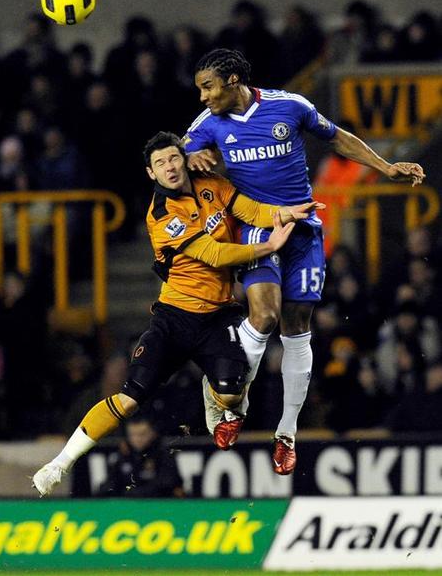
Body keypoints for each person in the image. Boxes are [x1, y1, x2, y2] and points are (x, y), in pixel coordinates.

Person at [32, 131, 320, 496]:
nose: (168, 167)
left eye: (173, 158)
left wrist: (284, 213)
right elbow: (214, 254)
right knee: (130, 398)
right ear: (150, 173)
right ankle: (60, 463)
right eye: (160, 163)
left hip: (219, 316)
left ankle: (214, 395)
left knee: (233, 397)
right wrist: (268, 246)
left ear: (183, 159)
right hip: (175, 317)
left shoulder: (212, 185)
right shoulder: (162, 214)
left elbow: (250, 211)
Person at [184, 47, 425, 475]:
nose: (203, 97)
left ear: (233, 80)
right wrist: (189, 158)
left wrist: (385, 167)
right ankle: (229, 401)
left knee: (297, 328)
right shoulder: (207, 124)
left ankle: (287, 433)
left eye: (208, 87)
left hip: (304, 229)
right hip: (257, 227)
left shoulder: (289, 106)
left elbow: (338, 137)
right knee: (264, 315)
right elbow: (171, 160)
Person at [98, 416, 184, 498]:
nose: (137, 439)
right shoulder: (122, 455)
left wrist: (135, 493)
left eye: (142, 434)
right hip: (127, 503)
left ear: (153, 433)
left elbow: (167, 484)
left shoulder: (163, 454)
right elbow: (111, 483)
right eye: (133, 435)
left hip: (159, 503)